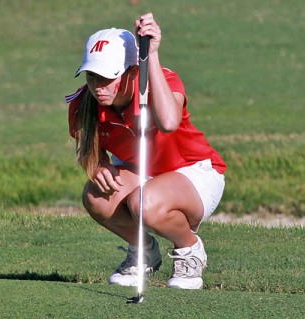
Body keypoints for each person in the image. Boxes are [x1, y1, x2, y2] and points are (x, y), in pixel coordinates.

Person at [66, 13, 226, 289]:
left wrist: (150, 54)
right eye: (92, 76)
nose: (98, 86)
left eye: (108, 77)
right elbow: (87, 150)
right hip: (144, 176)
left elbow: (168, 122)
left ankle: (189, 250)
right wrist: (98, 165)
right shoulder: (83, 104)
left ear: (131, 72)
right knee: (95, 196)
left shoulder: (161, 81)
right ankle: (144, 252)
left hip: (195, 172)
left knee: (145, 203)